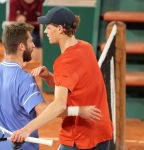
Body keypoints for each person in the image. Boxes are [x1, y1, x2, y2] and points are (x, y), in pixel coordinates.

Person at [10, 6, 113, 150]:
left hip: (79, 137)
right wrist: (50, 77)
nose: (45, 31)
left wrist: (25, 130)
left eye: (48, 27)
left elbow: (59, 106)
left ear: (60, 29)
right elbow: (76, 87)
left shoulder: (64, 62)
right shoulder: (86, 48)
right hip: (102, 132)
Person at [0, 22, 48, 150]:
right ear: (21, 46)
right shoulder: (25, 79)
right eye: (30, 41)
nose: (33, 45)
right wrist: (71, 109)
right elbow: (43, 111)